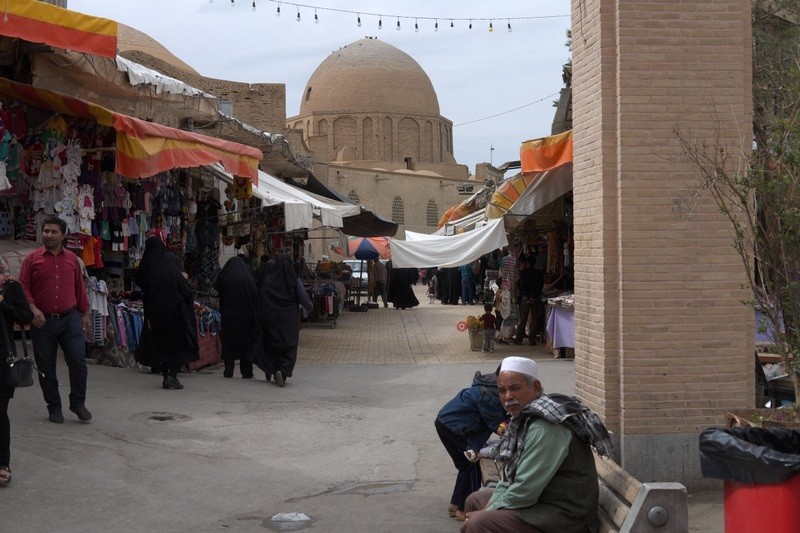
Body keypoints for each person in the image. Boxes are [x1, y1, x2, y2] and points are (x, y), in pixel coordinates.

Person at [461, 356, 612, 533]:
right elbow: (509, 477)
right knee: (475, 500)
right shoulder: (525, 419)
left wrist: (486, 512)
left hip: (568, 517)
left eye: (514, 388)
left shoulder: (546, 427)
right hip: (542, 501)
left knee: (478, 522)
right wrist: (488, 507)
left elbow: (525, 490)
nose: (508, 396)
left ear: (536, 387)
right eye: (502, 391)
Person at [19, 216, 92, 424]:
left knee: (78, 361)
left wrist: (85, 314)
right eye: (46, 231)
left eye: (53, 232)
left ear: (63, 235)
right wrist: (33, 309)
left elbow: (80, 288)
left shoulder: (72, 260)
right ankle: (54, 406)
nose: (48, 235)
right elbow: (22, 288)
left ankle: (78, 403)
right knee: (46, 367)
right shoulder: (32, 259)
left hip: (70, 319)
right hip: (43, 322)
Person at [435, 368, 506, 522]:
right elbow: (498, 426)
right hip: (456, 429)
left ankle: (455, 505)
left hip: (447, 423)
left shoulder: (492, 384)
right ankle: (463, 510)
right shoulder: (491, 395)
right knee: (471, 465)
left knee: (465, 467)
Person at [134, 236, 199, 390]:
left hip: (157, 316)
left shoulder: (150, 272)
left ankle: (165, 375)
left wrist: (149, 317)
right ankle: (172, 376)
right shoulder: (171, 265)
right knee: (177, 346)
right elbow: (185, 291)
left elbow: (146, 296)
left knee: (161, 346)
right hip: (176, 315)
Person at [0, 257, 34, 485]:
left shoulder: (11, 288)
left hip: (1, 360)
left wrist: (3, 301)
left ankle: (3, 463)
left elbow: (25, 317)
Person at [256, 253, 307, 387]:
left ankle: (272, 369)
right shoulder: (294, 280)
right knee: (289, 345)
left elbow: (262, 299)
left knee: (273, 344)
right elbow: (304, 298)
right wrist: (309, 308)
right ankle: (282, 371)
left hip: (271, 318)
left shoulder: (269, 280)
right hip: (289, 320)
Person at [213, 254, 262, 379]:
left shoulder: (226, 275)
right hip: (247, 317)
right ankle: (247, 372)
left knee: (229, 343)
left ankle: (228, 371)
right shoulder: (248, 275)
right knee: (246, 344)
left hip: (230, 317)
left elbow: (214, 292)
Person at [514, 255, 536, 346]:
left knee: (523, 319)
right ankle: (532, 340)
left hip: (525, 298)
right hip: (535, 298)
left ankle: (519, 339)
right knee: (535, 319)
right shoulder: (538, 273)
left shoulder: (523, 273)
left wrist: (528, 296)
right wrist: (534, 296)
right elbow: (540, 286)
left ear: (527, 263)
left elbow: (522, 286)